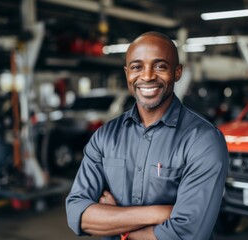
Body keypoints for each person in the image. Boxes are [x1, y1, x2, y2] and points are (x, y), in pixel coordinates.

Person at [66, 31, 229, 240]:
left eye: (160, 66)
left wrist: (118, 225)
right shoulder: (104, 137)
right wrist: (161, 213)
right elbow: (77, 215)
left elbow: (186, 234)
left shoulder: (204, 141)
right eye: (136, 67)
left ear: (177, 72)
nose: (147, 76)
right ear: (127, 73)